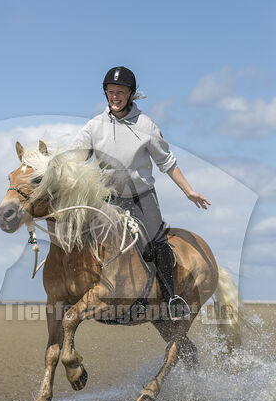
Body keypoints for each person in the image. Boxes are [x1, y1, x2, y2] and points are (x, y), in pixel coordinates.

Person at [74, 66, 210, 320]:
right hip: (107, 200)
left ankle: (171, 299)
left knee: (156, 243)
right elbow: (74, 156)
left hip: (142, 198)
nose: (115, 97)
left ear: (131, 94)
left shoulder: (146, 125)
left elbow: (166, 162)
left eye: (120, 92)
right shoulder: (94, 127)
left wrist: (189, 191)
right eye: (111, 92)